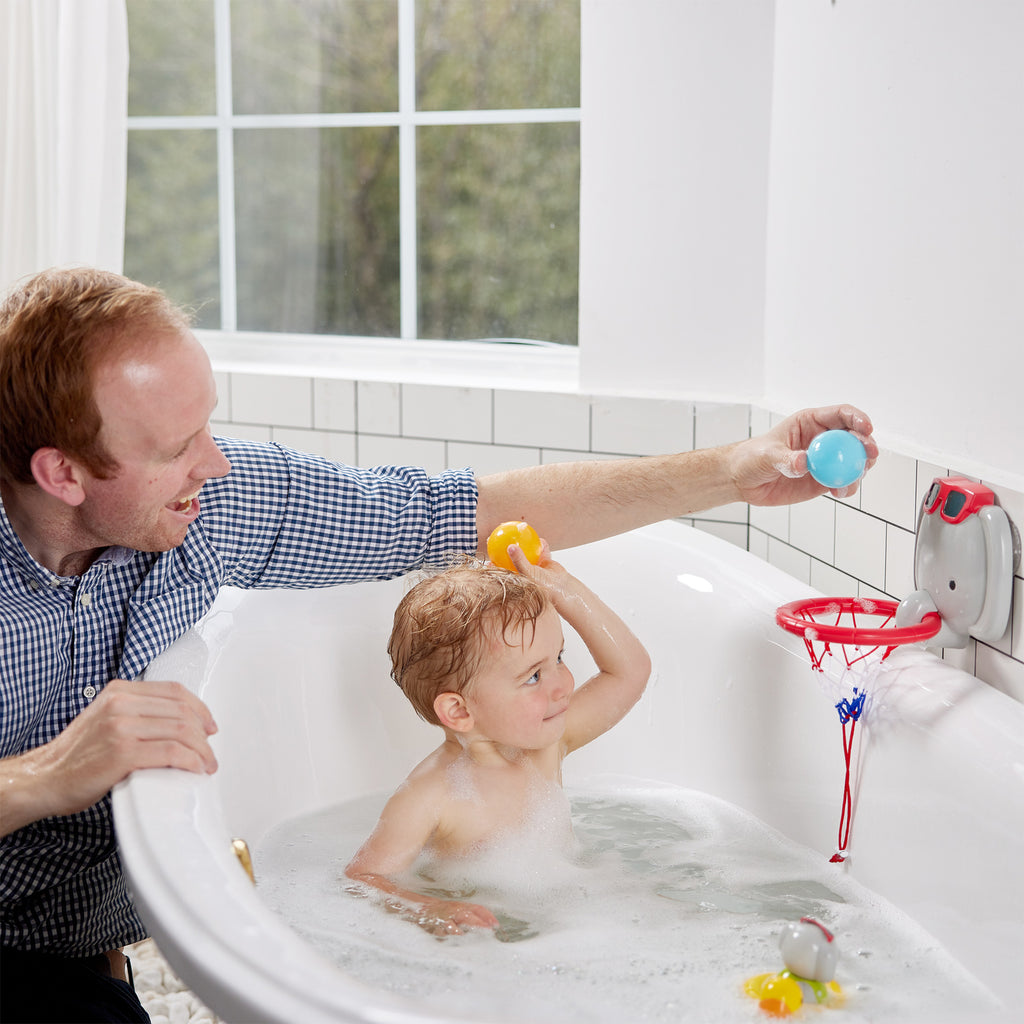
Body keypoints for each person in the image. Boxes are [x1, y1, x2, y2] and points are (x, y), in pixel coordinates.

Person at [0, 266, 878, 1022]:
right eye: (178, 447)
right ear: (62, 473)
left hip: (79, 951)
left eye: (209, 428)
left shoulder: (212, 508)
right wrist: (45, 775)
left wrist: (730, 471)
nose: (217, 465)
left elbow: (470, 509)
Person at [345, 543, 651, 934]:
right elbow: (364, 879)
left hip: (569, 920)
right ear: (459, 711)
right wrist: (427, 908)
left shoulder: (545, 745)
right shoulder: (429, 796)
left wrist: (566, 590)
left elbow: (630, 672)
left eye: (558, 657)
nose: (563, 686)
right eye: (533, 676)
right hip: (476, 935)